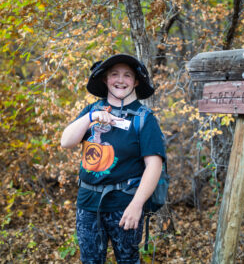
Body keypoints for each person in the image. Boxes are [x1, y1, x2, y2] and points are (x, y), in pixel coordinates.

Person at [61, 54, 166, 264]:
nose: (121, 80)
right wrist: (92, 117)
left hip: (125, 205)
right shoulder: (91, 111)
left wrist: (137, 205)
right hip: (88, 204)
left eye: (127, 75)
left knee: (128, 260)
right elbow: (66, 141)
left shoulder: (144, 118)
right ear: (105, 79)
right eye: (114, 74)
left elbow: (154, 167)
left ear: (136, 82)